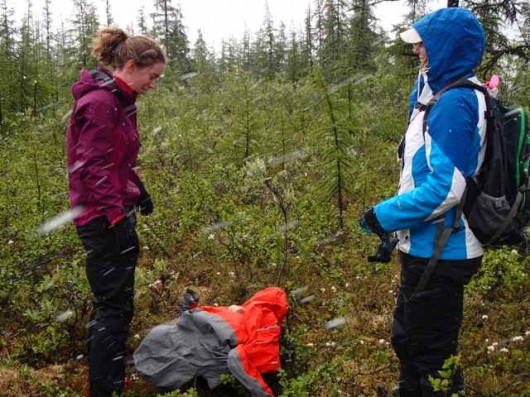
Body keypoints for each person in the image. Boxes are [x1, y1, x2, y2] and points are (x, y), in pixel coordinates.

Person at [360, 8, 486, 397]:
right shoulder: (442, 95)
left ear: (445, 48)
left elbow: (446, 189)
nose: (418, 52)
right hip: (430, 244)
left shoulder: (454, 104)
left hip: (444, 249)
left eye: (423, 45)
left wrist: (381, 215)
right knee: (412, 336)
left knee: (429, 348)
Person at [66, 27, 165, 396]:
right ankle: (105, 388)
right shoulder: (100, 103)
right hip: (100, 219)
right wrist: (114, 216)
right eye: (151, 76)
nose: (154, 84)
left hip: (112, 212)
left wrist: (138, 191)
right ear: (129, 65)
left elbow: (116, 162)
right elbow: (90, 168)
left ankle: (109, 380)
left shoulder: (120, 101)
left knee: (118, 306)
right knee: (112, 308)